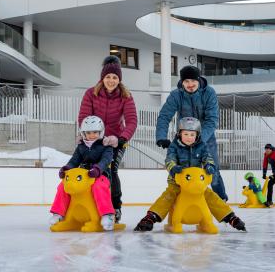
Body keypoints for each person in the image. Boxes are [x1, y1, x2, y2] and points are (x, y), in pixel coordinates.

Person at [134, 117, 246, 232]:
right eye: (186, 134)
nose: (189, 137)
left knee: (210, 195)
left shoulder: (202, 145)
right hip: (177, 182)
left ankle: (230, 217)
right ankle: (151, 217)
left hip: (196, 183)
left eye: (192, 135)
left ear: (197, 135)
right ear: (179, 134)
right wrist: (173, 168)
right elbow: (169, 160)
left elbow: (208, 157)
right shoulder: (174, 146)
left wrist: (209, 165)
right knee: (168, 195)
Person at [78, 55, 137, 223]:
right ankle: (85, 205)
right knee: (88, 169)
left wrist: (121, 139)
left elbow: (132, 120)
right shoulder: (91, 93)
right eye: (108, 77)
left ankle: (115, 207)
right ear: (102, 77)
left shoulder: (126, 95)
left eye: (115, 77)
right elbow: (83, 117)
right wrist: (87, 136)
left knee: (111, 170)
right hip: (94, 139)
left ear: (119, 79)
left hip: (116, 140)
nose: (111, 80)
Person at [155, 65, 228, 201]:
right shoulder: (176, 95)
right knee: (181, 170)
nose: (190, 84)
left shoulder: (209, 93)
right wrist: (161, 137)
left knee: (212, 168)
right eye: (186, 81)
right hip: (184, 138)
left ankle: (221, 200)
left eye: (193, 81)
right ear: (182, 82)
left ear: (198, 79)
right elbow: (164, 116)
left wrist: (200, 138)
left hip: (206, 138)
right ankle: (181, 200)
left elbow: (212, 119)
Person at [49, 116, 116, 230]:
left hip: (101, 175)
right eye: (88, 132)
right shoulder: (81, 146)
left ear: (101, 132)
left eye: (95, 132)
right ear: (83, 133)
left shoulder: (106, 146)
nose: (92, 135)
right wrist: (66, 169)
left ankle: (107, 215)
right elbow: (74, 160)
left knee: (98, 186)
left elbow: (106, 160)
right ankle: (59, 214)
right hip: (84, 176)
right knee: (63, 186)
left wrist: (98, 169)